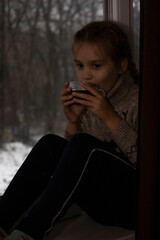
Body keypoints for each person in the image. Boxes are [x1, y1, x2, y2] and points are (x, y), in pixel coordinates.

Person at [0, 20, 139, 240]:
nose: (86, 76)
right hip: (100, 205)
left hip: (135, 206)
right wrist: (73, 122)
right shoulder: (92, 102)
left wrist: (109, 117)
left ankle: (29, 233)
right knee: (50, 144)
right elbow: (75, 164)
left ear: (121, 65)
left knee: (84, 143)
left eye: (96, 66)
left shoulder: (139, 100)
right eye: (79, 65)